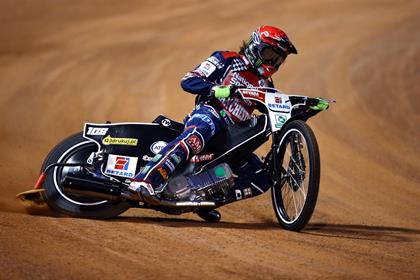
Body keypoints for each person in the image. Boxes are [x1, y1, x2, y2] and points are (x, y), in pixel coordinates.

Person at [129, 26, 298, 217]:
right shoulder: (226, 59)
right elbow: (188, 80)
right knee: (197, 135)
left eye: (277, 59)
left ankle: (197, 201)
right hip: (210, 115)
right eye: (269, 54)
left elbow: (276, 109)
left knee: (261, 177)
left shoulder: (266, 85)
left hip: (233, 137)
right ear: (254, 46)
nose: (272, 62)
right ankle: (145, 180)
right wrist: (215, 89)